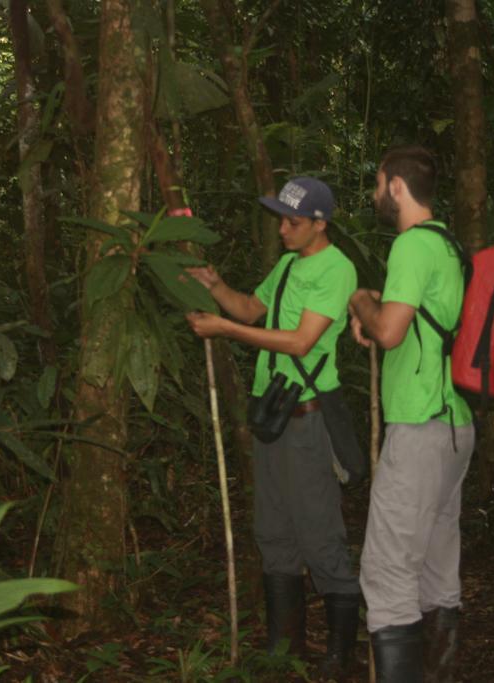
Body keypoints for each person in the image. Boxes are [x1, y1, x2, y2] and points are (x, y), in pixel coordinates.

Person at [186, 177, 362, 675]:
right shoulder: (288, 263)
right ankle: (285, 649)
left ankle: (337, 656)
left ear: (320, 224)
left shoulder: (337, 269)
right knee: (274, 531)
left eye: (293, 221)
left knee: (320, 533)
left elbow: (301, 342)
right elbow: (251, 309)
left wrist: (224, 331)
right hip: (272, 418)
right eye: (281, 218)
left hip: (307, 419)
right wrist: (215, 287)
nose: (282, 229)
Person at [348, 146, 475, 683]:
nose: (376, 195)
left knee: (388, 572)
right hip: (454, 426)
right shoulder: (448, 244)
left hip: (420, 425)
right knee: (437, 572)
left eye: (379, 185)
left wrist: (359, 300)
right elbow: (419, 316)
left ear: (397, 187)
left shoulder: (411, 245)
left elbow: (388, 331)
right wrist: (380, 300)